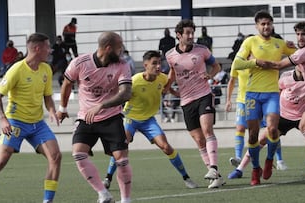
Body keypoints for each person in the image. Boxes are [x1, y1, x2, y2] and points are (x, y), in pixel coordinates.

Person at [0, 33, 62, 203]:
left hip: (38, 124)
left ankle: (47, 201)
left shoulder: (46, 69)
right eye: (47, 46)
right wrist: (3, 119)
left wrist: (52, 110)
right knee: (0, 161)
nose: (50, 50)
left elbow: (47, 97)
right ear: (37, 49)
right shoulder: (16, 69)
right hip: (16, 122)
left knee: (56, 157)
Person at [102, 50, 198, 190]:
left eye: (159, 63)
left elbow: (166, 86)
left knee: (166, 147)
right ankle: (108, 178)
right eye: (154, 63)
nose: (158, 66)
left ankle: (186, 178)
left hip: (148, 120)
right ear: (145, 65)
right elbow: (119, 94)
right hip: (131, 119)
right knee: (121, 147)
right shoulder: (134, 81)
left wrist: (175, 92)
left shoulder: (162, 78)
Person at [56, 31, 132, 203]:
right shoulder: (80, 63)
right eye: (119, 48)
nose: (122, 52)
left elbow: (126, 93)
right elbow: (67, 83)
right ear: (108, 48)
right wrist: (62, 108)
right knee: (78, 154)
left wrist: (102, 106)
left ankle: (126, 200)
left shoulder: (122, 65)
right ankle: (103, 194)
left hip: (112, 117)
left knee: (122, 159)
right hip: (86, 118)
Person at [259, 21, 305, 183]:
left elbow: (280, 65)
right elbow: (301, 55)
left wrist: (258, 62)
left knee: (304, 126)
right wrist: (295, 47)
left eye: (303, 34)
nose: (300, 37)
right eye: (298, 34)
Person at [231, 10, 296, 185]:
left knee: (273, 129)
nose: (266, 26)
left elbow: (301, 53)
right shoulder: (250, 41)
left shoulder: (279, 43)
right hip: (252, 94)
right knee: (252, 136)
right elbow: (237, 63)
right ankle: (255, 168)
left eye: (268, 23)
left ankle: (269, 160)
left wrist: (296, 44)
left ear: (272, 25)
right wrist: (255, 62)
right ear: (257, 26)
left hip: (272, 94)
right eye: (262, 24)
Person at [165, 19, 224, 189]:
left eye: (192, 33)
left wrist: (210, 75)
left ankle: (213, 168)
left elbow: (217, 66)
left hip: (204, 95)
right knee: (199, 140)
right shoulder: (170, 55)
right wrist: (169, 89)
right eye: (187, 33)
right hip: (186, 101)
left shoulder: (202, 50)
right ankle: (216, 176)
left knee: (207, 130)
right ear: (179, 35)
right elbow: (172, 74)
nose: (191, 36)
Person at [227, 70, 305, 179]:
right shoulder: (286, 76)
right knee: (263, 135)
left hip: (303, 114)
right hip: (283, 114)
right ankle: (240, 168)